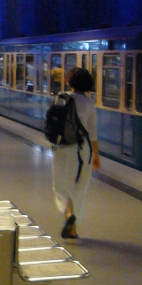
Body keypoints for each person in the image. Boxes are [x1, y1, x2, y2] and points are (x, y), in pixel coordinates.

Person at [51, 66, 100, 240]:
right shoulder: (89, 103)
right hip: (82, 151)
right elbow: (92, 133)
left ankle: (68, 215)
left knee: (61, 186)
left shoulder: (61, 98)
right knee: (78, 187)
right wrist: (96, 155)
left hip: (61, 148)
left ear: (71, 82)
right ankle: (73, 227)